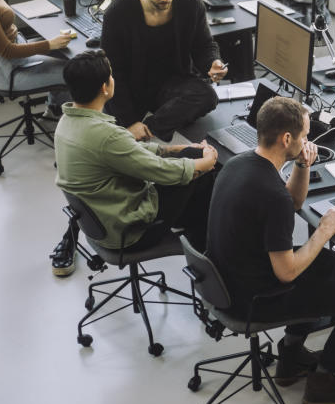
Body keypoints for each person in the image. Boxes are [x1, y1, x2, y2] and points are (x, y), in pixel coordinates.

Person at [207, 96, 335, 404]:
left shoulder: (242, 164)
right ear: (286, 138)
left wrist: (301, 165)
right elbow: (286, 272)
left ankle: (290, 358)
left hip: (227, 281)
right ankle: (324, 382)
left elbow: (294, 204)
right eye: (304, 135)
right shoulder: (269, 192)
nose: (307, 140)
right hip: (255, 300)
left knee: (326, 261)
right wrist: (323, 231)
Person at [54, 50, 218, 265]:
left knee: (189, 156)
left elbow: (127, 151)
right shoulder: (106, 135)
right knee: (204, 175)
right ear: (105, 87)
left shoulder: (67, 122)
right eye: (111, 76)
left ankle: (198, 236)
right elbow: (161, 171)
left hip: (101, 221)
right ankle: (208, 254)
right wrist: (206, 162)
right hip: (130, 233)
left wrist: (175, 150)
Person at [101, 0, 227, 142]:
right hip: (132, 86)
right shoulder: (117, 13)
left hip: (172, 83)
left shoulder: (191, 4)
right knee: (114, 107)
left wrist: (212, 63)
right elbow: (113, 72)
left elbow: (204, 45)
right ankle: (137, 130)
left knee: (207, 95)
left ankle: (149, 130)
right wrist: (129, 121)